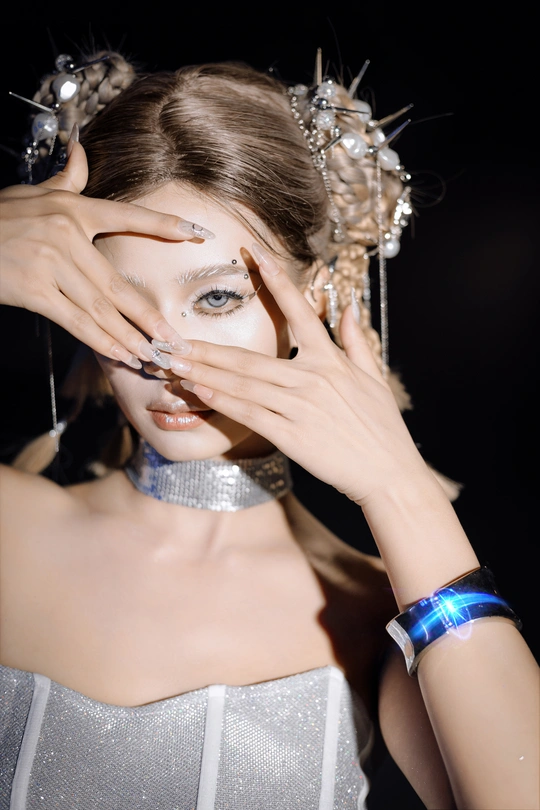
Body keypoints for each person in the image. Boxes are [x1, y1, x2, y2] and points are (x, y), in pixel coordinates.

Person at [0, 47, 538, 810]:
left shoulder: (377, 616)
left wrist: (401, 490)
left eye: (217, 298)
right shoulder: (11, 528)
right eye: (117, 299)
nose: (162, 355)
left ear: (316, 296)